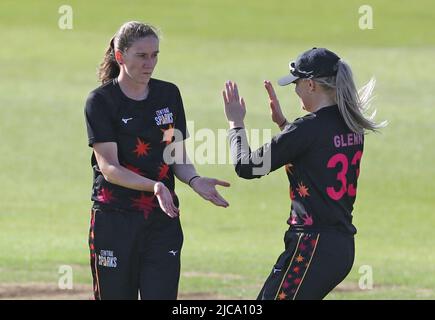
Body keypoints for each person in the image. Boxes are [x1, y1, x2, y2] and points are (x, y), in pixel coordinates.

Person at [223, 47, 386, 300]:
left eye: (297, 83)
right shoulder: (351, 124)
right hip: (340, 245)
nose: (295, 90)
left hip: (312, 246)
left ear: (311, 84)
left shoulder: (307, 129)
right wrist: (284, 126)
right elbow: (316, 155)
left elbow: (247, 166)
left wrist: (236, 123)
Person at [84, 21, 230, 300]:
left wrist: (194, 179)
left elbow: (176, 156)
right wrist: (155, 186)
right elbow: (110, 168)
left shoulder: (169, 94)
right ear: (120, 56)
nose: (149, 63)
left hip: (162, 221)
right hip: (115, 222)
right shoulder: (101, 101)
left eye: (154, 55)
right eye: (141, 55)